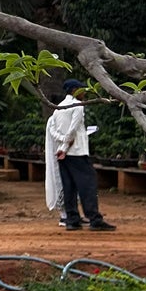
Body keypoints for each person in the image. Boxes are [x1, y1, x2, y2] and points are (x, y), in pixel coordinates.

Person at [44, 78, 115, 232]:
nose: (84, 92)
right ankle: (94, 218)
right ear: (74, 90)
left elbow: (53, 131)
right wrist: (66, 143)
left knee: (69, 186)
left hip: (63, 154)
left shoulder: (58, 109)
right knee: (87, 185)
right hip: (77, 152)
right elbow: (73, 128)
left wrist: (62, 145)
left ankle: (72, 219)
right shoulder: (77, 106)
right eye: (82, 89)